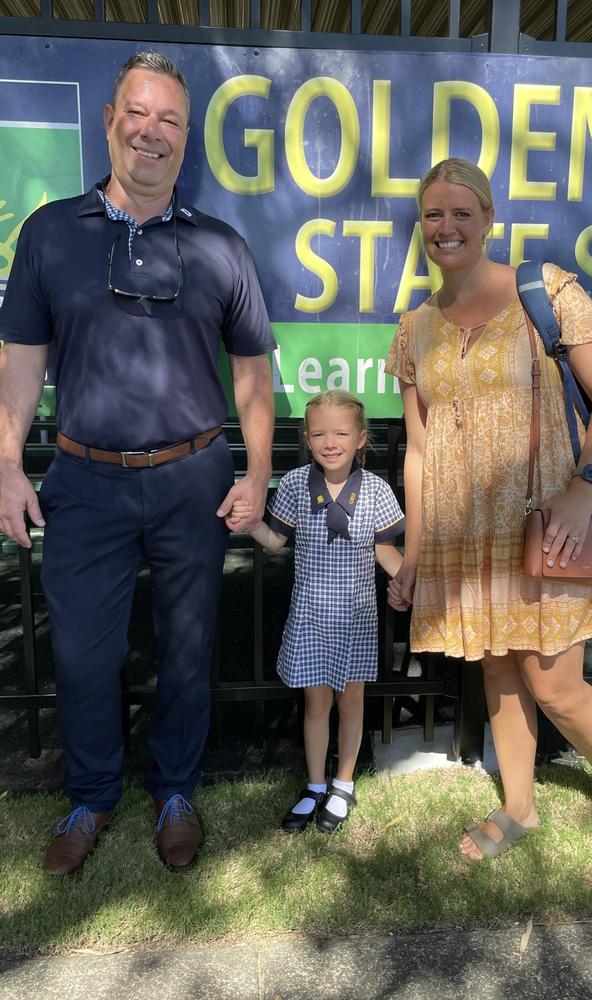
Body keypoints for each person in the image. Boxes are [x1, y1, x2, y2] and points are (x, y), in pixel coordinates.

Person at [0, 52, 276, 874]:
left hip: (194, 477)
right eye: (138, 113)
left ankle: (177, 791)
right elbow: (18, 360)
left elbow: (256, 375)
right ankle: (89, 798)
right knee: (86, 651)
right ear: (110, 118)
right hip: (84, 480)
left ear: (185, 139)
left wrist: (257, 476)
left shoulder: (222, 247)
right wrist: (7, 463)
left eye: (169, 120)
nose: (151, 132)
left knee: (188, 647)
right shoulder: (50, 233)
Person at [385, 157, 592, 861]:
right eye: (433, 214)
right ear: (422, 225)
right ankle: (521, 808)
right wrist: (413, 554)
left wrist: (582, 488)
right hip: (463, 534)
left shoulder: (547, 291)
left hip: (546, 522)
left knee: (555, 684)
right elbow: (419, 449)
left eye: (461, 213)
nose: (447, 227)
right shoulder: (414, 329)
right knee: (499, 668)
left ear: (488, 220)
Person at [232, 391, 404, 832]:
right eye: (320, 433)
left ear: (361, 438)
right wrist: (250, 524)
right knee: (315, 702)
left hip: (358, 617)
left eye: (342, 432)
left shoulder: (378, 491)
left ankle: (343, 783)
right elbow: (275, 541)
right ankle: (314, 783)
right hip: (309, 615)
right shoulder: (293, 485)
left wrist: (409, 580)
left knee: (351, 701)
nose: (331, 441)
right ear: (307, 439)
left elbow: (385, 550)